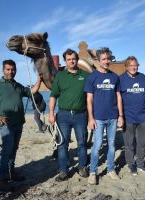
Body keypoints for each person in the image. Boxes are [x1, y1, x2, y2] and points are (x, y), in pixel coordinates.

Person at [0, 59, 42, 191]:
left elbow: (32, 92)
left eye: (13, 69)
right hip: (6, 125)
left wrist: (39, 79)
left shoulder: (18, 85)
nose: (10, 72)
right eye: (8, 69)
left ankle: (11, 173)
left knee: (14, 149)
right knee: (6, 151)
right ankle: (1, 180)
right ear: (3, 70)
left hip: (19, 123)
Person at [48, 48, 89, 182]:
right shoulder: (60, 76)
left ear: (77, 60)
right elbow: (53, 96)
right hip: (63, 116)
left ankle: (82, 167)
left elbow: (91, 96)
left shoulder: (85, 75)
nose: (71, 61)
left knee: (82, 143)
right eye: (69, 59)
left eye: (73, 59)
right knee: (62, 144)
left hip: (81, 115)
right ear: (65, 61)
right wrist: (51, 114)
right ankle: (64, 170)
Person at [84, 47, 124, 185]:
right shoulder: (92, 77)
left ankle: (111, 169)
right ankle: (93, 172)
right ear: (98, 60)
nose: (106, 61)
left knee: (112, 145)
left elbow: (118, 97)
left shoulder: (114, 77)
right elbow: (89, 99)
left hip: (113, 117)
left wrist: (121, 115)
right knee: (98, 145)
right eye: (104, 59)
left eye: (108, 59)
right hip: (98, 118)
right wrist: (90, 118)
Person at [119, 56, 145, 176]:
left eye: (135, 65)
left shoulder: (143, 78)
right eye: (131, 65)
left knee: (142, 142)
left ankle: (140, 164)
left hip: (142, 116)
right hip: (128, 116)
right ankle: (131, 165)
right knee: (129, 144)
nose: (133, 67)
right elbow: (118, 98)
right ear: (126, 67)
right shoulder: (121, 79)